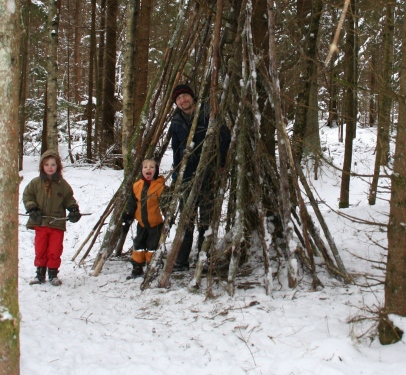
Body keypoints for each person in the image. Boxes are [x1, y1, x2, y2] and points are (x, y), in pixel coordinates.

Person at [170, 84, 231, 271]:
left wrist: (220, 166)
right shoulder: (176, 121)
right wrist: (176, 175)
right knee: (186, 217)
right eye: (179, 99)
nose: (183, 101)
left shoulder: (208, 114)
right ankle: (181, 259)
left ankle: (203, 257)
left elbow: (225, 139)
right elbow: (176, 151)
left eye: (185, 96)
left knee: (206, 217)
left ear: (192, 97)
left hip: (208, 174)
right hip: (187, 175)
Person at [23, 150, 82, 286]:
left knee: (55, 249)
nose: (50, 167)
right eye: (47, 164)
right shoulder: (36, 183)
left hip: (56, 224)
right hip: (41, 222)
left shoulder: (62, 184)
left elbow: (69, 199)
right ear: (42, 166)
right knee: (40, 248)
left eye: (53, 165)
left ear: (58, 167)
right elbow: (27, 195)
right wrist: (32, 208)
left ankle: (53, 273)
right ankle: (40, 273)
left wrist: (73, 209)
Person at [121, 159, 168, 279]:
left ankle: (152, 266)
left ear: (156, 171)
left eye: (152, 167)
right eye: (145, 167)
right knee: (138, 245)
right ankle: (137, 267)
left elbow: (166, 204)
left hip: (155, 224)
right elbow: (131, 203)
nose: (148, 169)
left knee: (152, 247)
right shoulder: (137, 186)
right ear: (141, 170)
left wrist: (168, 217)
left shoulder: (159, 187)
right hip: (141, 223)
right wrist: (127, 214)